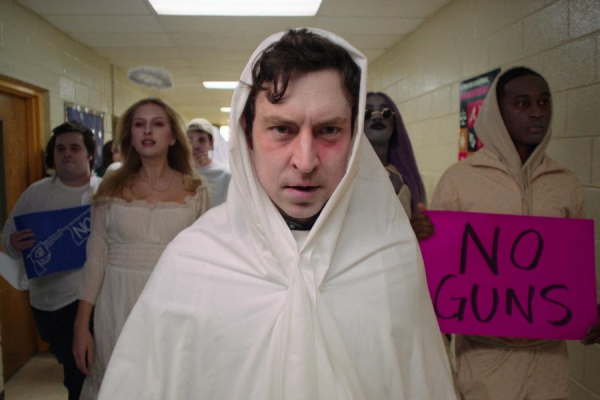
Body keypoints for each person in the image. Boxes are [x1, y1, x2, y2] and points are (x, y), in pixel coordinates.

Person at [97, 28, 456, 400]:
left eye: (329, 130)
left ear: (354, 142)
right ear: (247, 137)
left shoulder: (389, 256)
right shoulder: (193, 262)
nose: (305, 161)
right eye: (282, 129)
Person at [427, 67, 599, 400]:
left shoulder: (565, 183)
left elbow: (578, 269)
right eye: (522, 103)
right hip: (482, 363)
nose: (537, 112)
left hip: (549, 364)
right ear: (497, 113)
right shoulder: (460, 180)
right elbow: (441, 282)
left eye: (544, 102)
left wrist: (590, 311)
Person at [72, 98, 209, 399]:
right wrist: (82, 325)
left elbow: (205, 264)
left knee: (167, 384)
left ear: (173, 136)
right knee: (119, 382)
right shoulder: (109, 187)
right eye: (139, 124)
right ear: (130, 136)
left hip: (174, 305)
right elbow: (95, 258)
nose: (148, 130)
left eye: (157, 123)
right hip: (117, 302)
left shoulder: (195, 190)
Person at [1, 121, 100, 400]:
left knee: (80, 372)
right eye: (60, 149)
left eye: (75, 148)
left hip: (83, 301)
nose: (67, 154)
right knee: (70, 365)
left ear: (89, 154)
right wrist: (12, 243)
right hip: (44, 302)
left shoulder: (103, 193)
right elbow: (9, 235)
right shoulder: (36, 192)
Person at [365, 92, 426, 218]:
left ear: (395, 122)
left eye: (385, 112)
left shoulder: (407, 179)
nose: (377, 117)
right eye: (367, 113)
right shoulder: (345, 177)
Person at [186, 118, 232, 208]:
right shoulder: (180, 173)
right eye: (190, 140)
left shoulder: (225, 175)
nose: (196, 146)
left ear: (211, 144)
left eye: (202, 140)